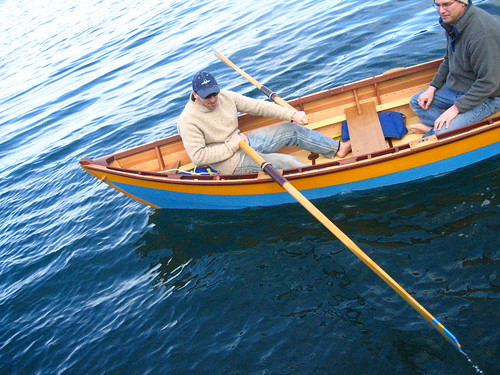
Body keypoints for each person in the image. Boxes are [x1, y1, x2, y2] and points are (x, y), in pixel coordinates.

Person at [177, 71, 351, 175]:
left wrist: (291, 114)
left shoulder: (225, 97)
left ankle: (338, 148)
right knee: (288, 162)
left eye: (215, 93)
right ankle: (328, 177)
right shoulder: (188, 120)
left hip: (245, 141)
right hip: (230, 161)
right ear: (195, 94)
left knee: (293, 129)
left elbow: (258, 106)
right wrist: (231, 145)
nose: (213, 99)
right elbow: (198, 157)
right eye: (207, 96)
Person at [408, 0, 500, 136]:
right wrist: (432, 88)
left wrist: (456, 108)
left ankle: (436, 132)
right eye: (437, 5)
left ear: (462, 3)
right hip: (460, 87)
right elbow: (449, 59)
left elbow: (489, 82)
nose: (441, 11)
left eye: (446, 4)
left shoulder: (482, 34)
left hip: (488, 96)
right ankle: (438, 128)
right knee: (417, 101)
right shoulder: (453, 23)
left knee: (442, 133)